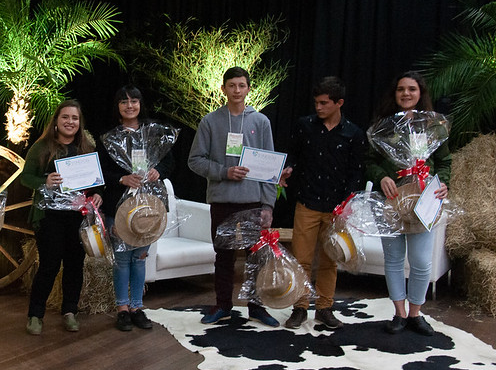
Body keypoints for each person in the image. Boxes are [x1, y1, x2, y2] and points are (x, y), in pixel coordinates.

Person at [188, 67, 280, 326]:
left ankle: (257, 307)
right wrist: (224, 172)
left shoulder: (260, 122)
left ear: (248, 89)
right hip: (221, 201)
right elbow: (195, 160)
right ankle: (223, 306)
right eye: (232, 85)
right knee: (223, 257)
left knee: (256, 257)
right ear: (223, 89)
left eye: (241, 85)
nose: (237, 90)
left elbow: (270, 168)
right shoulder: (210, 121)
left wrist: (268, 205)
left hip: (252, 202)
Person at [365, 71, 450, 336]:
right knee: (393, 259)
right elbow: (368, 162)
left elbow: (445, 162)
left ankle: (416, 313)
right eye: (401, 89)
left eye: (412, 89)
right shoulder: (383, 126)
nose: (406, 93)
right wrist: (382, 177)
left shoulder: (434, 126)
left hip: (423, 202)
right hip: (390, 200)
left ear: (420, 93)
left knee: (421, 261)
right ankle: (399, 314)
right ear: (395, 93)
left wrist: (444, 182)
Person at [279, 77, 366, 330]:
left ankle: (325, 308)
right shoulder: (304, 126)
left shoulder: (353, 133)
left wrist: (347, 203)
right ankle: (300, 308)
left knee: (330, 261)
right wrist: (288, 168)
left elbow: (356, 172)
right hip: (307, 202)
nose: (318, 107)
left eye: (324, 103)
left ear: (339, 103)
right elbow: (293, 154)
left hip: (336, 207)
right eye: (316, 102)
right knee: (301, 259)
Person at [21, 100, 103, 335]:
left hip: (78, 217)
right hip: (49, 217)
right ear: (56, 121)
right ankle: (35, 315)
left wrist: (99, 194)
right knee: (49, 265)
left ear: (80, 123)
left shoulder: (87, 149)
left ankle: (70, 312)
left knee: (75, 266)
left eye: (74, 118)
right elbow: (25, 177)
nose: (70, 122)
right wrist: (44, 181)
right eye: (65, 117)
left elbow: (97, 183)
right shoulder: (41, 147)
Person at [97, 86, 173, 331]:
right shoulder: (108, 137)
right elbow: (100, 172)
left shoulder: (154, 132)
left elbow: (169, 161)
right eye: (124, 101)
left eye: (134, 101)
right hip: (118, 205)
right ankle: (122, 309)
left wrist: (158, 170)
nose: (129, 106)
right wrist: (122, 179)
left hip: (149, 206)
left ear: (141, 104)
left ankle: (137, 307)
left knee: (139, 259)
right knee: (121, 260)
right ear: (117, 106)